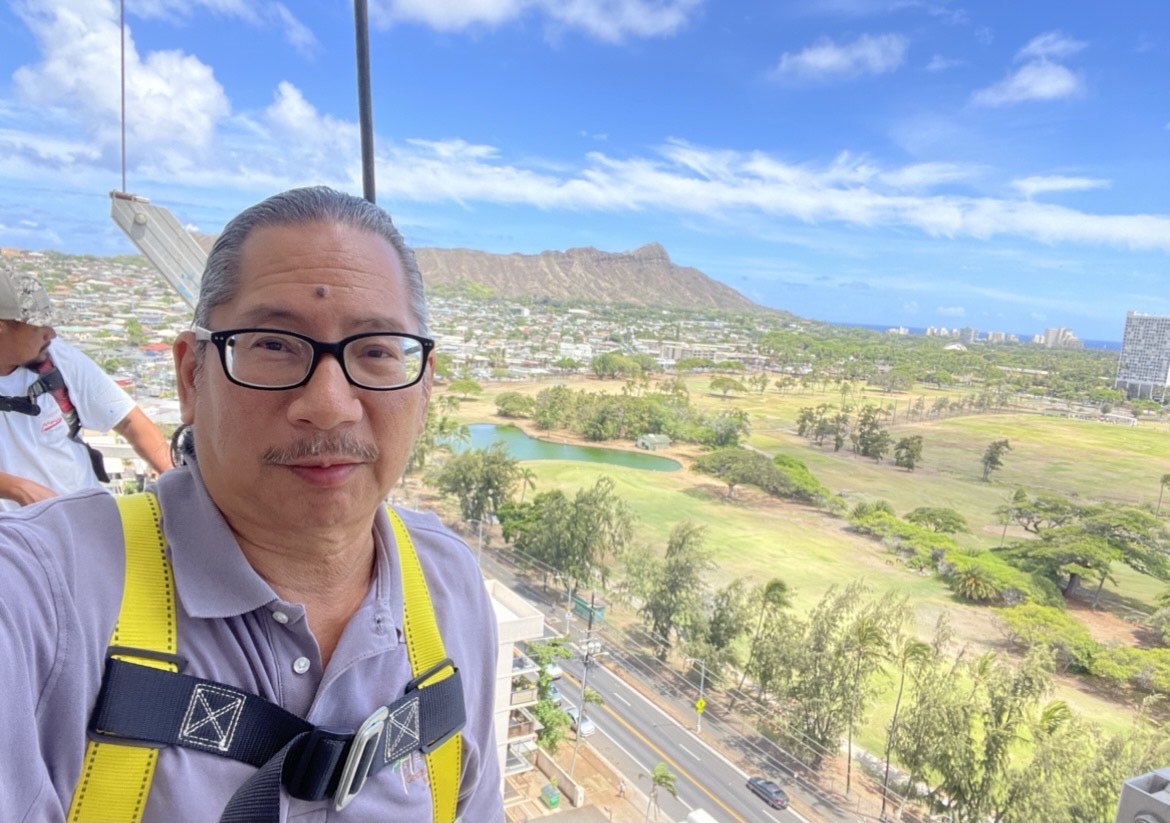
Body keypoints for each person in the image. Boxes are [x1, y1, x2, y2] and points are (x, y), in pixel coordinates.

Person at [0, 187, 503, 821]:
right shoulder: (44, 595)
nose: (328, 403)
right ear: (192, 378)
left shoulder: (448, 586)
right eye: (272, 345)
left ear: (424, 387)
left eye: (376, 350)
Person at [0, 269, 173, 509]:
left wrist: (181, 486)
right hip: (14, 536)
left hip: (85, 520)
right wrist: (15, 488)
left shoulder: (59, 359)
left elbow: (129, 422)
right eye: (38, 325)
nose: (51, 333)